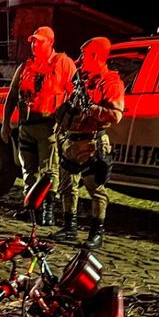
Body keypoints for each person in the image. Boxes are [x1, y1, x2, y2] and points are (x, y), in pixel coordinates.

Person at [51, 37, 124, 250]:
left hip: (91, 142)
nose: (81, 59)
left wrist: (91, 108)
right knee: (67, 186)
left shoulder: (110, 82)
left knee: (95, 189)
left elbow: (116, 115)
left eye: (84, 55)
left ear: (95, 56)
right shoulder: (81, 79)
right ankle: (69, 227)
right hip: (70, 139)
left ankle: (96, 232)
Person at [1, 26, 76, 226]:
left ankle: (48, 210)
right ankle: (31, 209)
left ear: (50, 42)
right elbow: (13, 94)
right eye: (33, 41)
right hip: (27, 124)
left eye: (39, 41)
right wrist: (5, 123)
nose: (35, 45)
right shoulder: (25, 67)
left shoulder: (63, 63)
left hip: (49, 125)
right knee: (28, 169)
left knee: (49, 169)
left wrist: (66, 121)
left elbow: (75, 95)